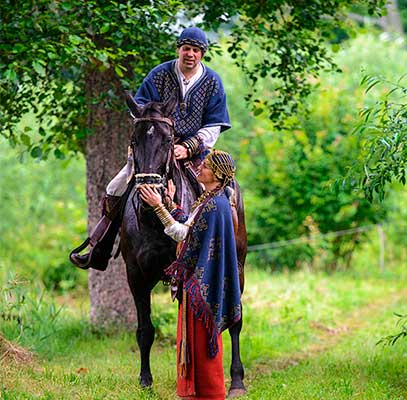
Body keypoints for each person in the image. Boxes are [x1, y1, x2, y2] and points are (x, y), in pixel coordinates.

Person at [70, 26, 231, 270]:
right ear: (178, 49)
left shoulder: (212, 82)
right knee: (116, 186)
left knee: (226, 192)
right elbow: (138, 109)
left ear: (202, 54)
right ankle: (99, 247)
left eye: (196, 50)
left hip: (196, 150)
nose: (190, 54)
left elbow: (214, 125)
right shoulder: (159, 74)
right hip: (155, 147)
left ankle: (223, 252)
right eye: (186, 48)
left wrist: (187, 147)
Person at [139, 149, 241, 400]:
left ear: (216, 174)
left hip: (200, 285)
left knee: (199, 341)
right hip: (196, 283)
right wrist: (172, 204)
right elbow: (189, 223)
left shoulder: (215, 205)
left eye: (205, 166)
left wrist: (158, 206)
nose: (200, 169)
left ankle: (208, 393)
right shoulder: (210, 200)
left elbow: (183, 234)